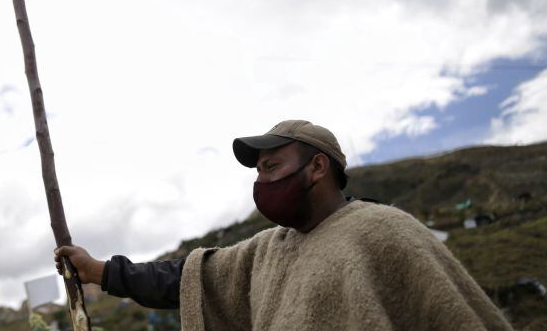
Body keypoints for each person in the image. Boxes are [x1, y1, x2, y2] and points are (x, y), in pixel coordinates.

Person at [55, 119, 513, 330]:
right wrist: (100, 271)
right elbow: (189, 278)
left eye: (272, 166)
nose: (262, 181)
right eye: (258, 172)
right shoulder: (266, 250)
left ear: (317, 167)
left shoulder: (385, 233)